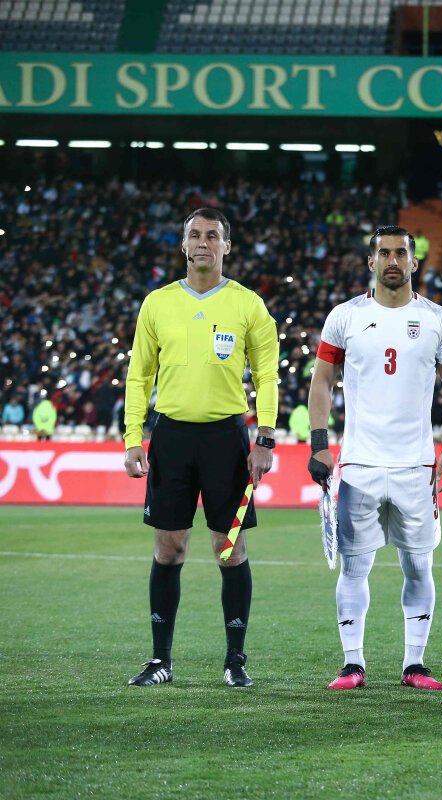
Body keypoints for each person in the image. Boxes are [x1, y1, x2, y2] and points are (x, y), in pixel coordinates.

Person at [123, 207, 279, 688]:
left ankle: (235, 660)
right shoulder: (158, 303)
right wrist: (133, 437)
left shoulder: (248, 304)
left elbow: (268, 376)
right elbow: (139, 376)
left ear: (226, 246)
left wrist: (265, 437)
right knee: (169, 548)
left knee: (228, 548)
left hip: (226, 439)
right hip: (171, 436)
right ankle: (159, 661)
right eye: (195, 235)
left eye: (213, 235)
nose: (203, 243)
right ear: (184, 245)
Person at [308, 225, 442, 691]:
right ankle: (352, 664)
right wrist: (319, 442)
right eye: (384, 253)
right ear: (371, 261)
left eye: (401, 253)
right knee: (354, 567)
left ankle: (414, 663)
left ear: (415, 262)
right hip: (360, 465)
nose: (392, 260)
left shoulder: (437, 319)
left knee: (418, 566)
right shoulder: (345, 317)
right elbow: (321, 381)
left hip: (416, 466)